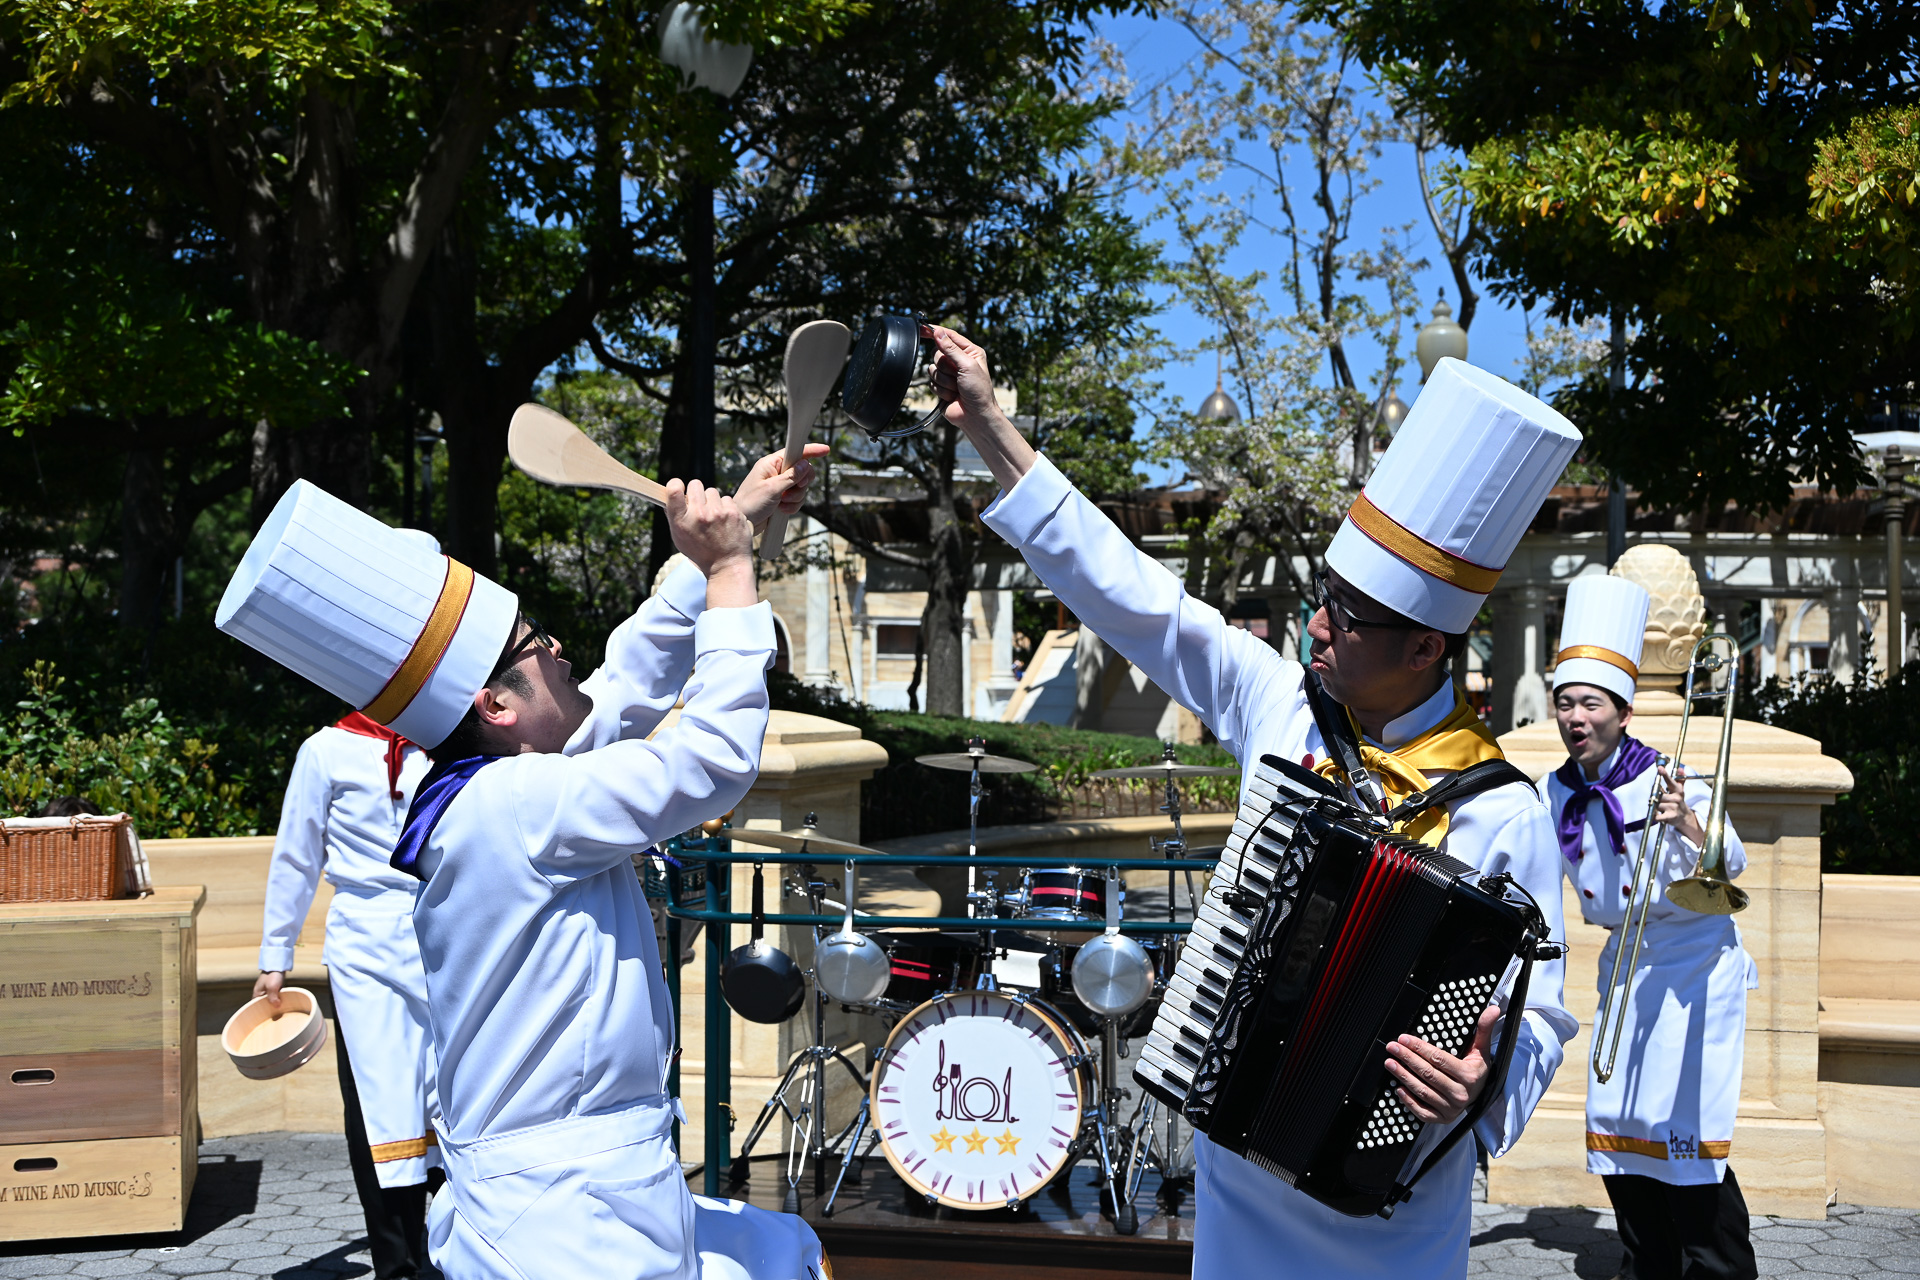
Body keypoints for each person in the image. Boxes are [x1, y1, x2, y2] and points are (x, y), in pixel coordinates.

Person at [927, 324, 1579, 1278]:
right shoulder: (1280, 702)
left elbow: (1542, 1014)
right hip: (1239, 1178)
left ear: (1424, 649)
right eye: (1324, 597)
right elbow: (1132, 598)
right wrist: (992, 428)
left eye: (1346, 617)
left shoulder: (1503, 810)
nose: (1316, 626)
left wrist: (1482, 1082)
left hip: (1388, 1208)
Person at [216, 443, 832, 1280]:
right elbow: (713, 758)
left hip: (555, 1201)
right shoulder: (522, 802)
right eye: (539, 642)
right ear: (496, 705)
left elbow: (625, 683)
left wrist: (725, 535)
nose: (563, 650)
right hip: (575, 1221)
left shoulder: (495, 790)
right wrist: (730, 571)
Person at [1547, 573, 1758, 1280]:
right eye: (1565, 703)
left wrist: (1691, 824)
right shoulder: (1555, 789)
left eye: (1591, 703)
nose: (1575, 717)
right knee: (1619, 1122)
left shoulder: (1671, 774)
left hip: (1695, 967)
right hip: (1628, 964)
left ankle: (1722, 1269)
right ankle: (1648, 1266)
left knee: (1686, 1134)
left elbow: (1734, 862)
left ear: (1624, 712)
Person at [254, 692, 439, 1278]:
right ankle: (397, 1261)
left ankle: (455, 1247)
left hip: (446, 930)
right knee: (376, 1099)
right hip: (364, 940)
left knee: (451, 1091)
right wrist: (276, 955)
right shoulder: (325, 750)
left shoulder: (447, 739)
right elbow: (297, 853)